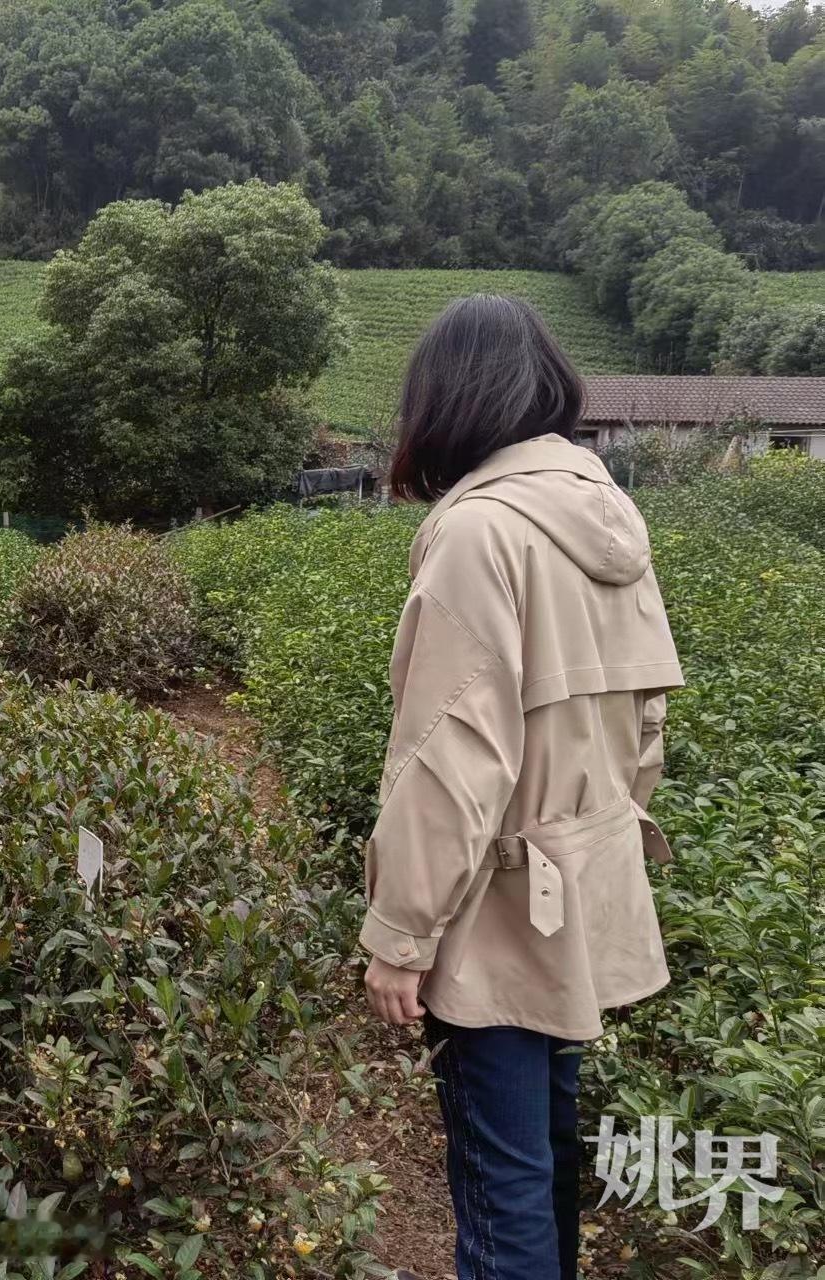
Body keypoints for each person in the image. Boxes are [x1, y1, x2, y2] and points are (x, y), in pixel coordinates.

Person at [360, 295, 683, 1280]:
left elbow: (447, 760)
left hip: (497, 907)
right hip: (580, 887)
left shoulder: (479, 534)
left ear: (443, 401)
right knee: (539, 1159)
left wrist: (398, 934)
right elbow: (645, 724)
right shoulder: (606, 513)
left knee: (499, 1191)